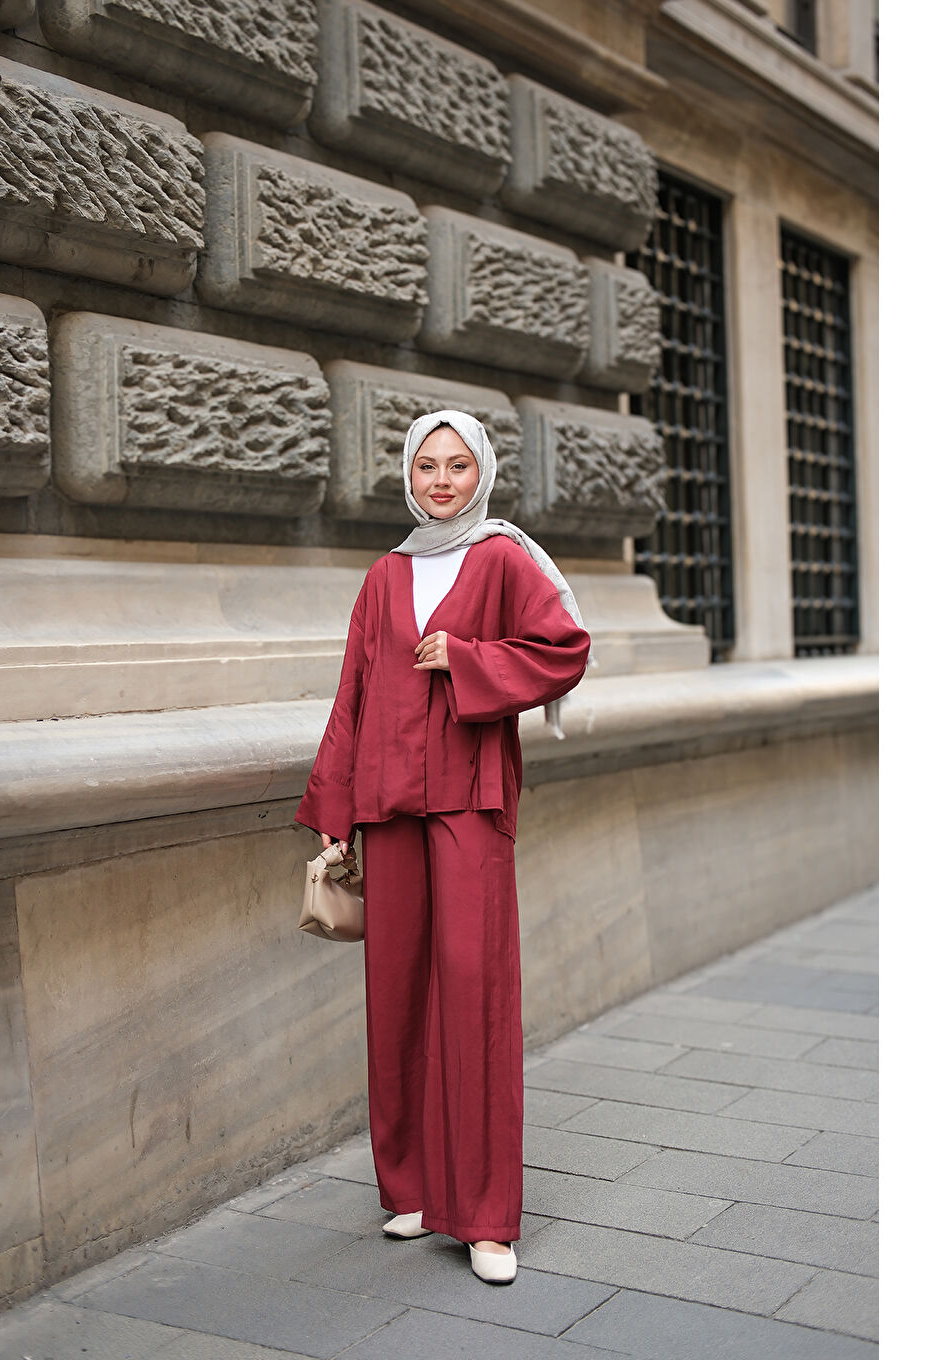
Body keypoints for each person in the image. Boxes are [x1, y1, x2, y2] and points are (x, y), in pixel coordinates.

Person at [294, 409, 593, 1284]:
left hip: (468, 802)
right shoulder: (386, 574)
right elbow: (352, 691)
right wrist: (336, 806)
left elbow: (564, 649)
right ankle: (413, 1188)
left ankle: (489, 1217)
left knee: (475, 988)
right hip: (387, 806)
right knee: (397, 995)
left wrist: (466, 657)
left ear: (482, 473)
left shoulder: (503, 558)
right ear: (408, 475)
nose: (441, 481)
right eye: (427, 465)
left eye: (458, 466)